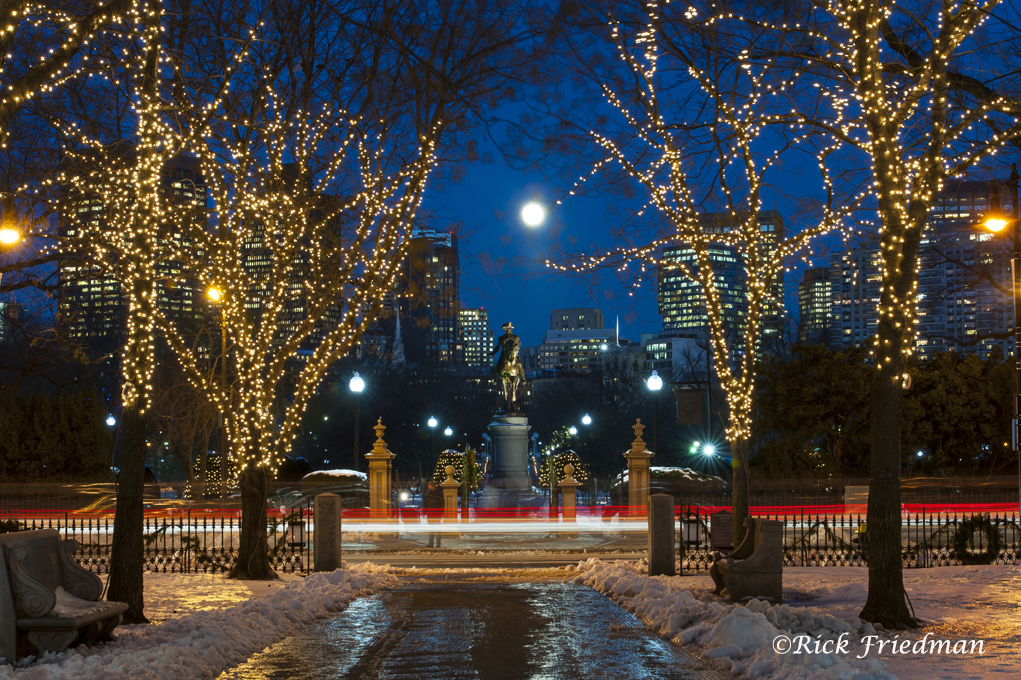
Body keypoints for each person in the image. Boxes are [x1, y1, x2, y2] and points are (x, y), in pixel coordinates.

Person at [423, 480, 444, 548]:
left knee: (437, 529)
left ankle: (438, 543)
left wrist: (441, 512)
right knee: (431, 529)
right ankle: (431, 543)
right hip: (430, 514)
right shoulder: (428, 493)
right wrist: (424, 512)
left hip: (436, 514)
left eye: (430, 486)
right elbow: (425, 504)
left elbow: (442, 504)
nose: (429, 487)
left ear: (433, 486)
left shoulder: (438, 493)